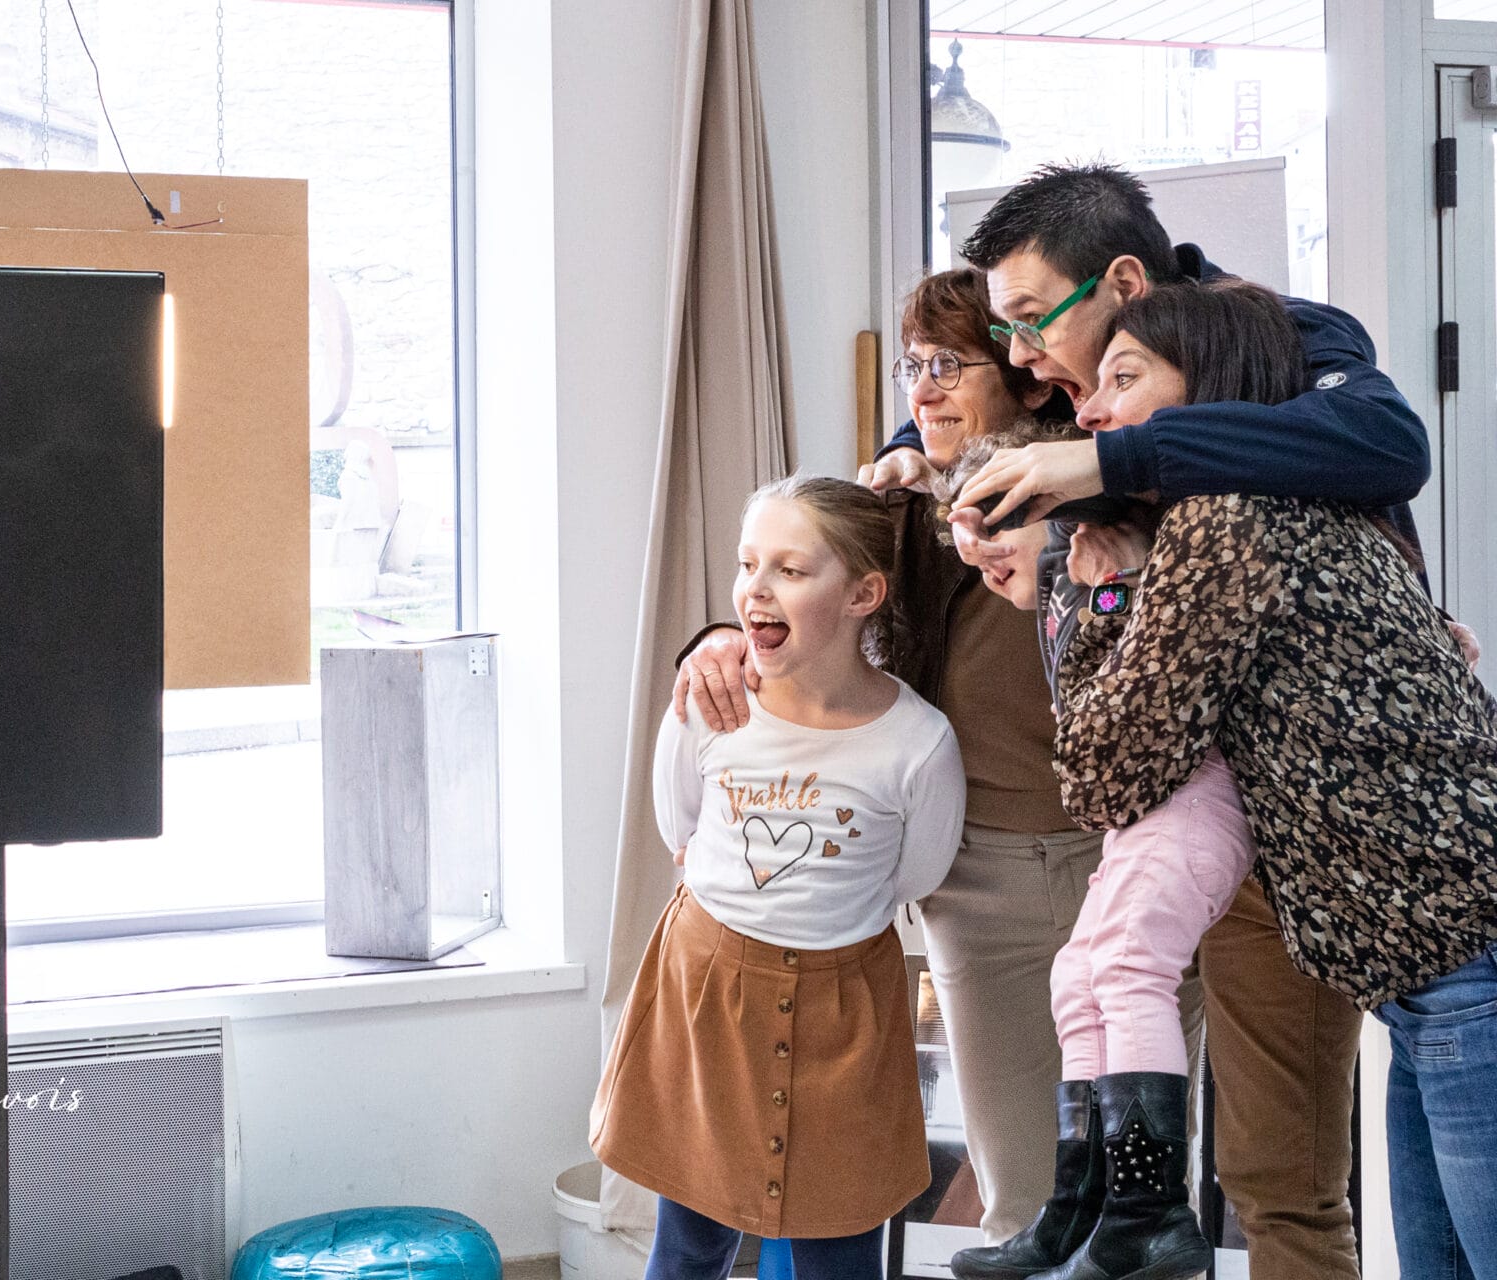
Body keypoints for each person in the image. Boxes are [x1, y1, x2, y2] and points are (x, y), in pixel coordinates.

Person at [927, 161, 1426, 1280]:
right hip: (1136, 800)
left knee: (1280, 1183)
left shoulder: (1285, 339)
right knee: (1095, 1046)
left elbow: (1389, 447)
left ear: (1120, 278)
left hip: (1283, 821)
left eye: (1027, 320)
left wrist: (1105, 462)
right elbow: (940, 459)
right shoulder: (1049, 385)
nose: (1021, 360)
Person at [680, 270, 1180, 1261]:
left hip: (1125, 866)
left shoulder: (1112, 502)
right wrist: (716, 640)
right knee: (1022, 1203)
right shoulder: (898, 515)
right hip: (979, 883)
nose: (922, 388)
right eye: (915, 366)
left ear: (1032, 380)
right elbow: (793, 601)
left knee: (1132, 1216)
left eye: (950, 364)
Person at [1031, 280, 1497, 1280]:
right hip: (1431, 976)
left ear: (1212, 396)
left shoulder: (1228, 520)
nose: (1093, 413)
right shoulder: (1306, 506)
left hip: (1463, 969)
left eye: (1124, 379)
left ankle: (1137, 1213)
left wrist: (1101, 588)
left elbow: (1110, 771)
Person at [593, 475, 967, 1280]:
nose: (755, 589)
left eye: (791, 570)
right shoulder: (711, 704)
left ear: (865, 591)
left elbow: (917, 872)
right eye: (747, 564)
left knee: (839, 1249)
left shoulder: (919, 743)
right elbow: (680, 826)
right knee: (689, 1243)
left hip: (846, 1015)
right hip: (709, 998)